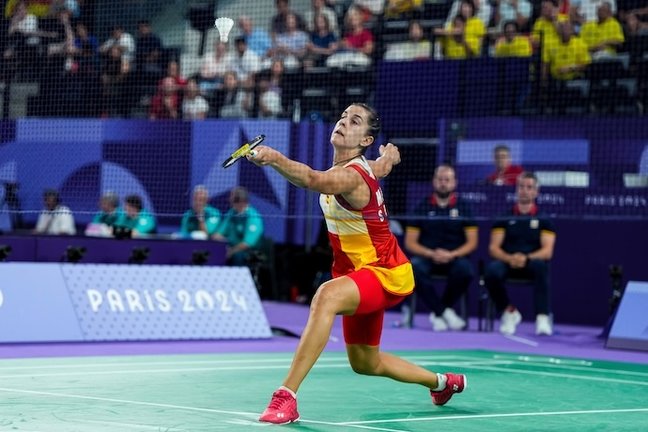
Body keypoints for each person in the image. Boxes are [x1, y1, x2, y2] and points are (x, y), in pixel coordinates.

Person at [247, 103, 466, 425]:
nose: (343, 123)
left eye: (355, 121)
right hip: (357, 274)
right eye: (342, 118)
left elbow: (310, 179)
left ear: (365, 139)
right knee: (366, 362)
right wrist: (389, 158)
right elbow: (380, 167)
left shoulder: (350, 178)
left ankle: (286, 396)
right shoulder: (363, 166)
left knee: (326, 296)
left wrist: (274, 158)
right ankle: (443, 383)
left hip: (384, 272)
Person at [404, 165, 477, 331]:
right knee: (414, 268)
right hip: (428, 257)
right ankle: (444, 312)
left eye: (447, 180)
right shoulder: (422, 206)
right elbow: (410, 242)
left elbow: (472, 242)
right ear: (434, 181)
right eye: (440, 179)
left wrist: (452, 254)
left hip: (454, 257)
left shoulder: (464, 207)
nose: (443, 183)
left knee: (465, 270)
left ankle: (439, 312)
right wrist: (431, 253)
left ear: (454, 183)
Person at [484, 172, 556, 336]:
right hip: (508, 261)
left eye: (529, 187)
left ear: (536, 192)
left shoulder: (545, 220)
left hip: (531, 262)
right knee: (492, 271)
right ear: (516, 190)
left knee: (541, 267)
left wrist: (526, 258)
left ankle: (542, 318)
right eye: (521, 187)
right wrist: (510, 258)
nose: (524, 190)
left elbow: (547, 251)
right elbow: (494, 248)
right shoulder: (504, 217)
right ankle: (509, 312)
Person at [212, 186, 264, 266]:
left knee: (238, 256)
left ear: (242, 201)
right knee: (216, 251)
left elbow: (247, 243)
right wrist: (225, 243)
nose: (231, 202)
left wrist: (231, 251)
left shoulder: (253, 217)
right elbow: (217, 234)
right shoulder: (231, 213)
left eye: (234, 200)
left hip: (249, 251)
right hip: (230, 247)